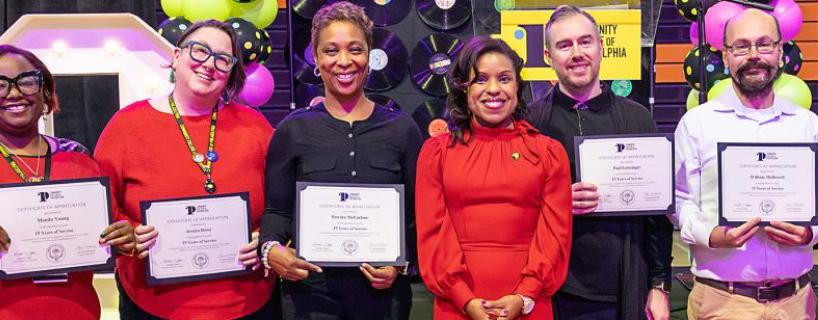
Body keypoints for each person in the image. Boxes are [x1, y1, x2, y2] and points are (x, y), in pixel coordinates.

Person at [94, 20, 277, 319]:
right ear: (177, 56)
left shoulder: (256, 127)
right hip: (154, 301)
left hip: (248, 299)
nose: (209, 64)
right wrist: (126, 233)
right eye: (200, 51)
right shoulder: (126, 126)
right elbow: (102, 206)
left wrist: (266, 236)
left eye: (223, 59)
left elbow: (280, 204)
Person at [674, 9, 818, 319]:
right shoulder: (696, 124)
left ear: (780, 52)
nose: (754, 55)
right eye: (741, 46)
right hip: (722, 301)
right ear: (725, 56)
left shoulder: (807, 126)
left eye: (764, 45)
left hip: (795, 302)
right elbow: (679, 201)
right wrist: (711, 235)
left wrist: (811, 231)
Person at [258, 2, 423, 319]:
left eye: (355, 49)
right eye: (331, 50)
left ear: (369, 56)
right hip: (309, 296)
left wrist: (401, 265)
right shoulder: (293, 129)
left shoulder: (402, 130)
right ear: (317, 59)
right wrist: (270, 250)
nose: (344, 61)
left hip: (384, 300)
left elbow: (419, 215)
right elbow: (276, 211)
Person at [526, 5, 673, 319]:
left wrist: (659, 285)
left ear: (601, 47)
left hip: (624, 288)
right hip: (554, 291)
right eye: (564, 45)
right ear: (548, 56)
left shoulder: (637, 118)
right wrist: (556, 200)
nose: (577, 52)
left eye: (585, 41)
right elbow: (514, 207)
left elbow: (656, 216)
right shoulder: (531, 123)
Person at [416, 35, 573, 320]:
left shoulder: (548, 153)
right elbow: (433, 233)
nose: (493, 89)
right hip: (457, 307)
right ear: (463, 88)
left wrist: (524, 296)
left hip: (528, 306)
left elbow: (555, 235)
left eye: (504, 79)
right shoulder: (436, 153)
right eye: (480, 80)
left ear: (517, 86)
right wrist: (465, 300)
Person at [0, 44, 136, 320]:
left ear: (45, 91)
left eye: (26, 81)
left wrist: (125, 236)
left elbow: (114, 231)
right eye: (0, 84)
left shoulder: (79, 162)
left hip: (77, 311)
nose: (14, 92)